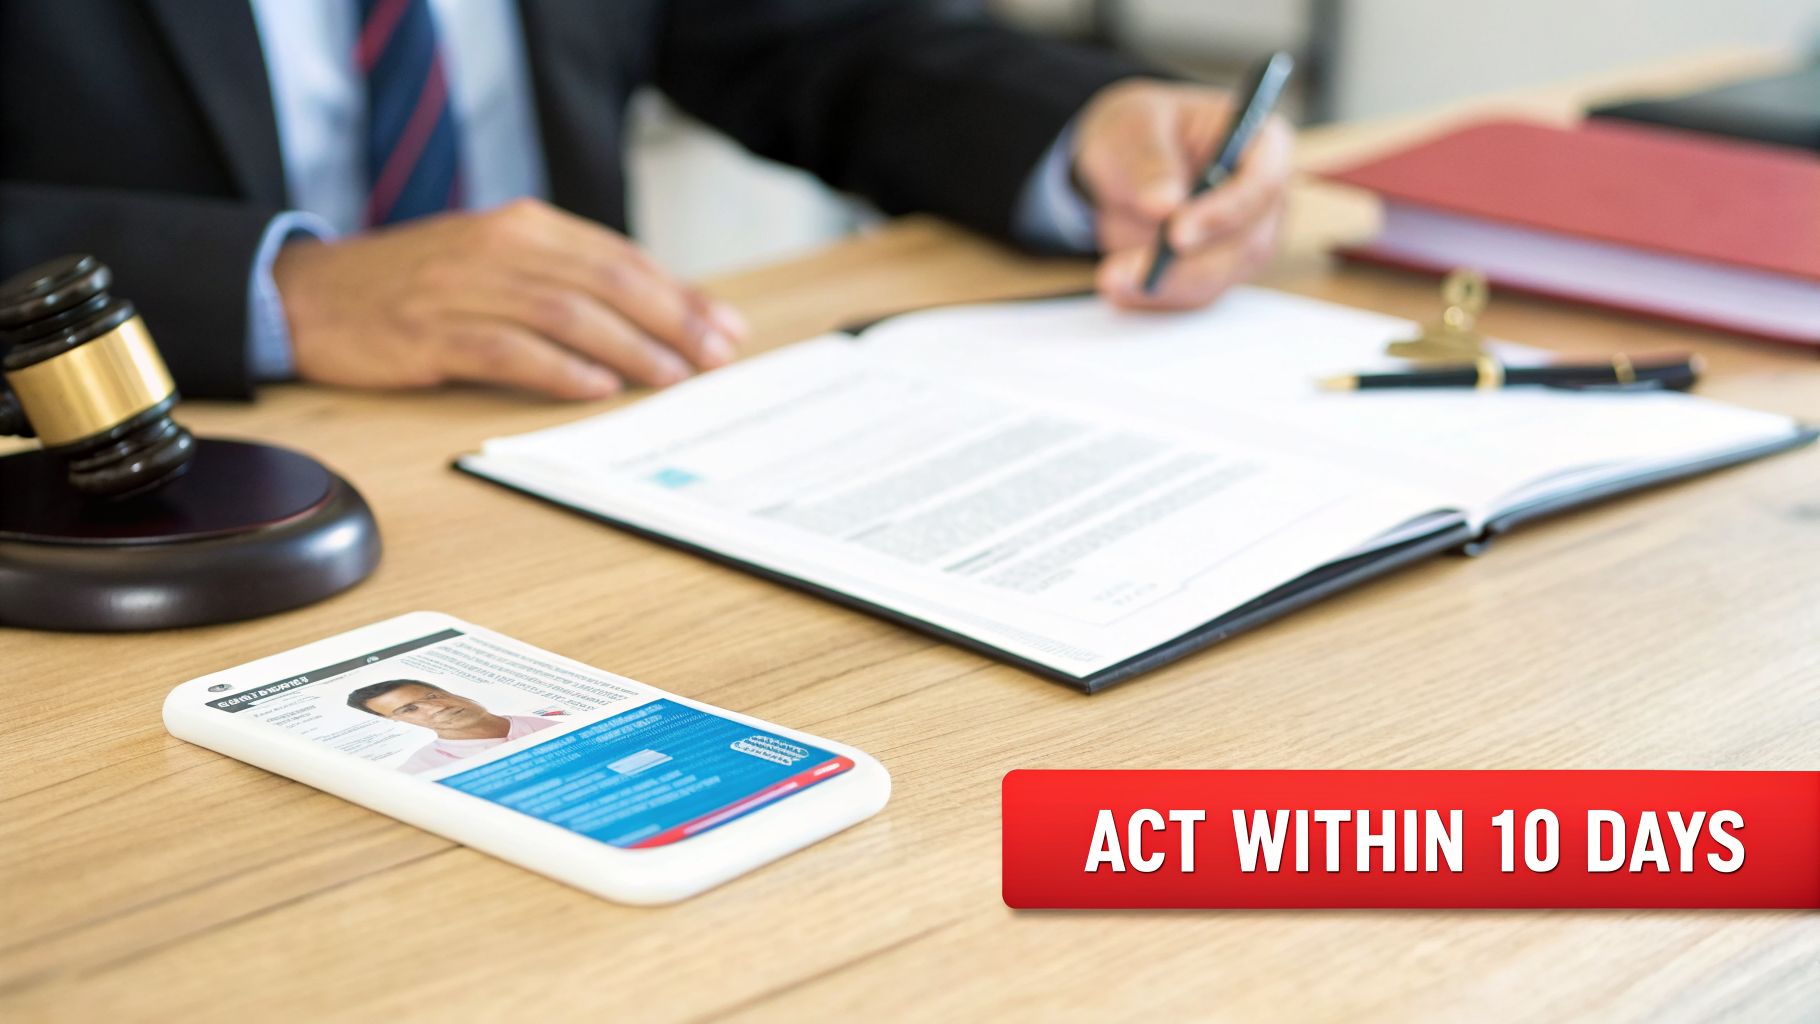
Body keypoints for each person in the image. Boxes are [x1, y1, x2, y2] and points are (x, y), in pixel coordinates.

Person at [0, 1, 1292, 401]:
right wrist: (281, 287)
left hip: (577, 427)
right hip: (172, 487)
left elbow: (822, 35)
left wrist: (1088, 131)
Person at [346, 678, 560, 774]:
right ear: (394, 720)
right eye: (409, 709)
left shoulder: (556, 719)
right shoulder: (420, 771)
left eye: (433, 696)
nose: (437, 708)